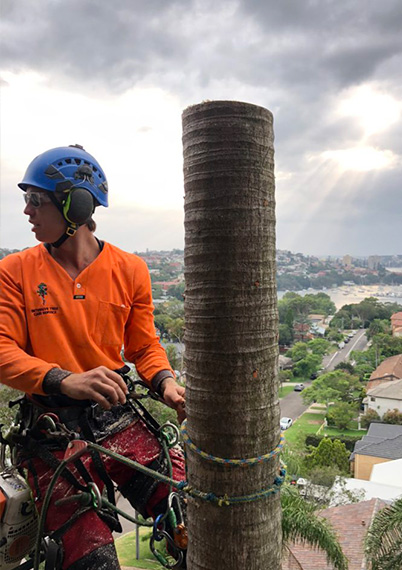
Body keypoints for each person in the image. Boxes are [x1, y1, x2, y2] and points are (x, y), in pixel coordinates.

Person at [0, 145, 186, 569]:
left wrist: (166, 383)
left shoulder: (130, 269)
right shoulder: (15, 271)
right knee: (91, 560)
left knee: (191, 517)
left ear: (75, 206)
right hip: (53, 433)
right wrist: (64, 379)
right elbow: (2, 351)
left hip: (118, 417)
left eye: (35, 200)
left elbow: (143, 347)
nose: (27, 211)